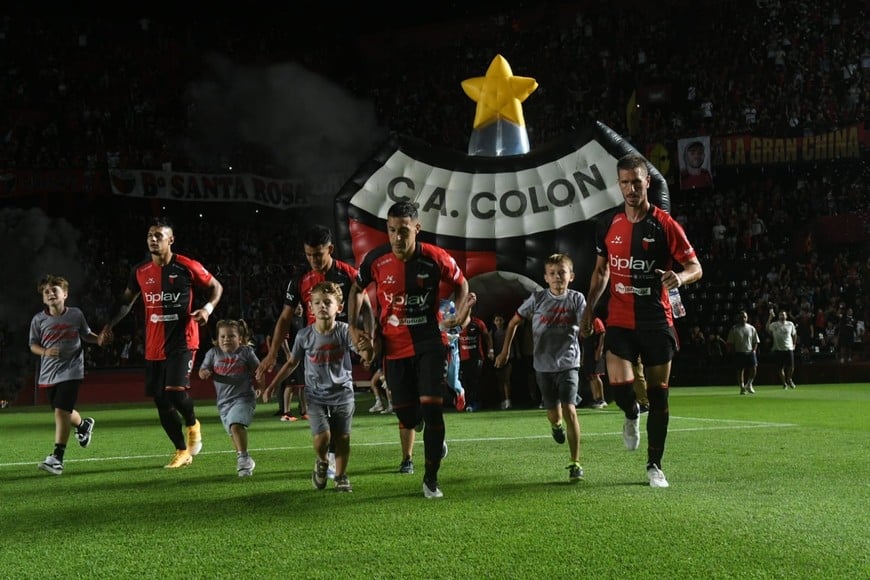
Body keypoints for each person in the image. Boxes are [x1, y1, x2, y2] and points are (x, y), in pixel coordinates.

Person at [581, 153, 703, 488]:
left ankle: (654, 466)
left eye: (637, 182)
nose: (631, 189)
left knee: (659, 396)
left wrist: (681, 278)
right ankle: (631, 412)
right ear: (618, 184)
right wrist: (589, 310)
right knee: (620, 387)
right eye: (625, 183)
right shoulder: (607, 224)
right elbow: (601, 271)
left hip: (656, 321)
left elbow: (695, 267)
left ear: (647, 182)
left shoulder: (665, 224)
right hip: (619, 319)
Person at [348, 200, 470, 499]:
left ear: (417, 229)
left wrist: (458, 313)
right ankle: (428, 433)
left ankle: (431, 479)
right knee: (408, 417)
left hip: (430, 343)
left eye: (403, 230)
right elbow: (356, 289)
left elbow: (461, 284)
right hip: (393, 349)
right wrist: (353, 326)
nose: (397, 237)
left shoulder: (435, 258)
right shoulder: (376, 260)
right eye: (392, 230)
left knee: (432, 409)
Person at [103, 216, 223, 468]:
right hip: (154, 345)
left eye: (159, 235)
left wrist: (207, 309)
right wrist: (108, 326)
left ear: (171, 240)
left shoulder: (187, 266)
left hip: (183, 340)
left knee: (175, 392)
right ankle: (181, 450)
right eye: (150, 235)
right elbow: (126, 301)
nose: (153, 239)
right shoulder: (140, 271)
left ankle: (193, 423)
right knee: (161, 400)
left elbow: (216, 287)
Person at [255, 224, 371, 477]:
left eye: (318, 254)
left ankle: (331, 457)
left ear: (330, 249)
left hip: (341, 342)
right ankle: (325, 455)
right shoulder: (300, 279)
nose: (313, 260)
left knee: (339, 409)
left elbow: (366, 306)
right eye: (308, 255)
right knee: (319, 407)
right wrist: (272, 353)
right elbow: (285, 318)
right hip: (314, 347)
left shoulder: (348, 274)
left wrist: (368, 338)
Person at [263, 281, 366, 492]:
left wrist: (367, 349)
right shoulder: (304, 335)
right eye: (317, 302)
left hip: (343, 394)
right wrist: (274, 384)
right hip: (315, 396)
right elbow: (292, 362)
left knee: (342, 438)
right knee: (322, 438)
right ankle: (322, 461)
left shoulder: (345, 331)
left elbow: (364, 352)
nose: (322, 306)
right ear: (310, 307)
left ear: (339, 307)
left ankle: (341, 476)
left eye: (327, 302)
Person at [495, 253, 587, 482]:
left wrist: (588, 328)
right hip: (543, 366)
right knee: (554, 414)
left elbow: (586, 324)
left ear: (571, 276)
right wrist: (505, 351)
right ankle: (556, 426)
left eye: (562, 273)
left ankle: (575, 463)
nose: (557, 277)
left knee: (570, 409)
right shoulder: (537, 299)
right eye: (552, 273)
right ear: (546, 277)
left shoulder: (577, 299)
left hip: (569, 363)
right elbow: (514, 322)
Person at [30, 275, 109, 475]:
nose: (50, 294)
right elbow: (33, 345)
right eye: (46, 292)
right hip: (49, 372)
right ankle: (83, 425)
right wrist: (45, 351)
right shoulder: (38, 320)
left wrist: (98, 340)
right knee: (63, 410)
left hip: (72, 370)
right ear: (43, 298)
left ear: (65, 294)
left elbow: (86, 334)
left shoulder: (76, 314)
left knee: (61, 411)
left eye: (54, 290)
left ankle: (57, 458)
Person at [198, 319, 261, 477]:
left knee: (235, 425)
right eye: (223, 336)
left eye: (231, 336)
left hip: (244, 398)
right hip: (224, 403)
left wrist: (261, 387)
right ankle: (245, 462)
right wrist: (204, 373)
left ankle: (243, 459)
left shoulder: (246, 352)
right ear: (217, 339)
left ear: (240, 338)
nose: (226, 339)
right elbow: (202, 370)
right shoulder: (213, 353)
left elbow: (259, 370)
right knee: (234, 432)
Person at [456, 302, 493, 412]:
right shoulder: (456, 323)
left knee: (475, 380)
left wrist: (491, 350)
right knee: (463, 381)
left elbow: (487, 337)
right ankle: (465, 403)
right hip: (461, 358)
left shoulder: (478, 323)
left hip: (476, 357)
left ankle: (475, 403)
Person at [726, 310, 760, 395]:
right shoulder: (734, 329)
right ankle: (742, 387)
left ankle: (749, 384)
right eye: (741, 317)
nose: (743, 318)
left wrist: (754, 350)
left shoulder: (751, 328)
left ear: (747, 318)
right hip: (739, 352)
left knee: (754, 368)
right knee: (740, 370)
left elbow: (756, 341)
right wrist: (734, 352)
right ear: (738, 318)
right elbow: (730, 342)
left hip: (750, 352)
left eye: (744, 317)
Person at [490, 313, 516, 409]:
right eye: (497, 320)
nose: (499, 322)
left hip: (509, 357)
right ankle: (503, 401)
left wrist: (517, 353)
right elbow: (490, 345)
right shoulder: (492, 333)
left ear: (504, 321)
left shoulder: (507, 331)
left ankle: (508, 400)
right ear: (494, 322)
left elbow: (514, 342)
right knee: (500, 380)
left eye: (500, 320)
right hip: (497, 358)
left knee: (506, 379)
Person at [767, 309, 797, 389]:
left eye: (783, 315)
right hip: (778, 349)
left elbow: (794, 335)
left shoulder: (790, 324)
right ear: (778, 316)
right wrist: (770, 317)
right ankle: (784, 383)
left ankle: (789, 379)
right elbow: (767, 329)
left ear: (786, 316)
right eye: (780, 315)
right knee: (780, 368)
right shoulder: (774, 324)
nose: (782, 316)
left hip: (789, 348)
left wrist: (794, 344)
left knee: (791, 367)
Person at [583, 314, 607, 409]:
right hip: (587, 352)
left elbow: (602, 334)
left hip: (595, 351)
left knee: (596, 375)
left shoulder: (596, 320)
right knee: (590, 376)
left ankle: (602, 399)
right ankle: (595, 399)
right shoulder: (583, 322)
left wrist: (599, 350)